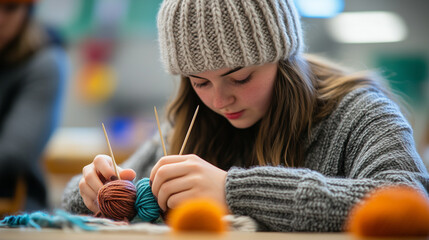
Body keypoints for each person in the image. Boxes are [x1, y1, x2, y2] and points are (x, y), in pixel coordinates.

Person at [62, 0, 429, 232]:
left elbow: (410, 200)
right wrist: (97, 191)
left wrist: (232, 191)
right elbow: (70, 203)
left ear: (282, 58)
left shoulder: (359, 112)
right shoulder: (191, 120)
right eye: (199, 82)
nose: (220, 100)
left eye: (239, 77)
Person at [0, 1, 67, 211]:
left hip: (14, 211)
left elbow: (13, 153)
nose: (0, 19)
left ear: (28, 10)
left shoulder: (44, 63)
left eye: (10, 8)